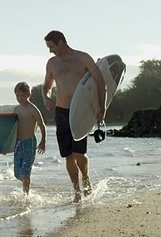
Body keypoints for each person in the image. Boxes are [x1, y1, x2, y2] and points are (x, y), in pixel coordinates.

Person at [42, 30, 106, 203]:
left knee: (79, 154)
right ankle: (76, 191)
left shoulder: (83, 58)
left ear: (61, 42)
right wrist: (46, 97)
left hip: (80, 112)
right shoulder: (52, 63)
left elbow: (101, 82)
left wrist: (102, 108)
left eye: (52, 47)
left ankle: (85, 177)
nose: (50, 51)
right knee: (68, 155)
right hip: (61, 111)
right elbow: (46, 85)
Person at [12, 82, 47, 195]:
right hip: (18, 143)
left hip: (29, 143)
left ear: (28, 95)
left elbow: (42, 125)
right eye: (17, 95)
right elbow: (11, 129)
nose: (19, 98)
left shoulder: (33, 109)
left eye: (22, 95)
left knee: (25, 171)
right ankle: (25, 185)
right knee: (17, 173)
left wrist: (43, 141)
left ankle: (26, 195)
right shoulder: (16, 110)